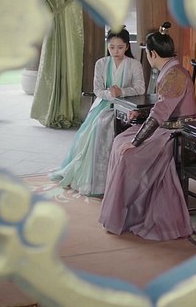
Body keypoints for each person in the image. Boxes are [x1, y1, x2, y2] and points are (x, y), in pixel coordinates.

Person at [99, 22, 195, 241]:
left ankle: (133, 211)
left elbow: (161, 113)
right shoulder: (169, 70)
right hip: (165, 128)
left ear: (152, 54)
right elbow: (162, 108)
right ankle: (127, 210)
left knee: (128, 153)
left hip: (176, 134)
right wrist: (141, 116)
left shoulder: (174, 76)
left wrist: (136, 141)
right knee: (120, 140)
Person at [49, 27, 145, 196]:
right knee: (97, 127)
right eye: (112, 47)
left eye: (120, 47)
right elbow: (98, 90)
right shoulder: (101, 63)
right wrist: (111, 94)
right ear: (107, 46)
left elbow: (140, 88)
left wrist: (121, 91)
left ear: (127, 46)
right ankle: (97, 181)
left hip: (126, 105)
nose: (115, 51)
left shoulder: (134, 64)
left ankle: (119, 178)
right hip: (103, 104)